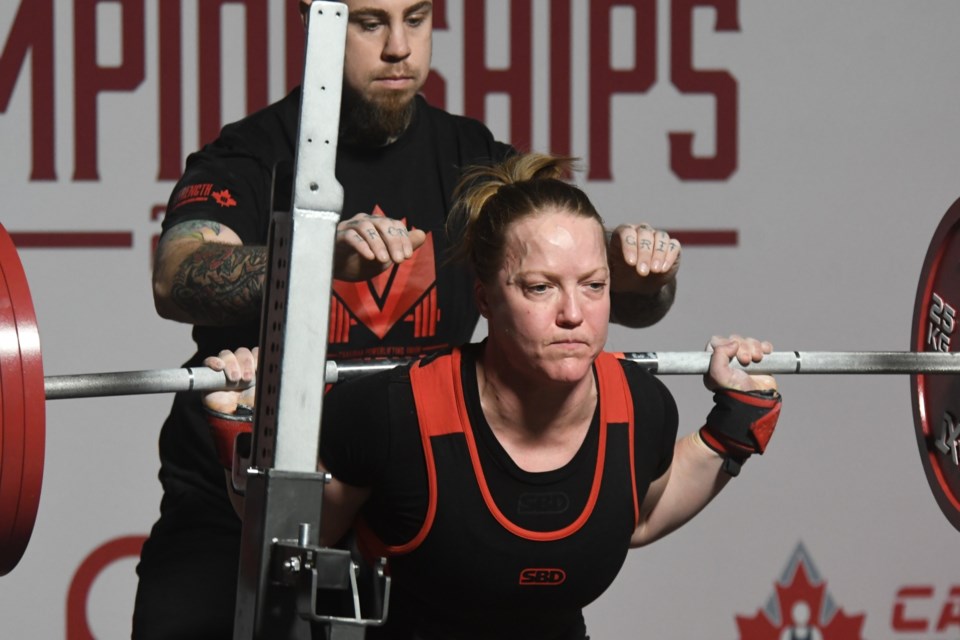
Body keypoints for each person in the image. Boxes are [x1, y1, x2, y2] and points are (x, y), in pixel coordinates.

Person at [135, 0, 681, 637]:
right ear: (319, 26)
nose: (399, 47)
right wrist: (318, 260)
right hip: (245, 503)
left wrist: (642, 276)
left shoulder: (470, 156)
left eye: (416, 19)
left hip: (410, 511)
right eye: (370, 23)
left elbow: (599, 299)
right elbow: (175, 277)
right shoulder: (252, 155)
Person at [204, 153, 781, 640]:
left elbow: (639, 514)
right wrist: (245, 426)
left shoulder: (640, 405)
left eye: (594, 286)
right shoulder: (394, 413)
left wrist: (734, 428)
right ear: (484, 300)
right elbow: (295, 539)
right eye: (539, 287)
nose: (573, 314)